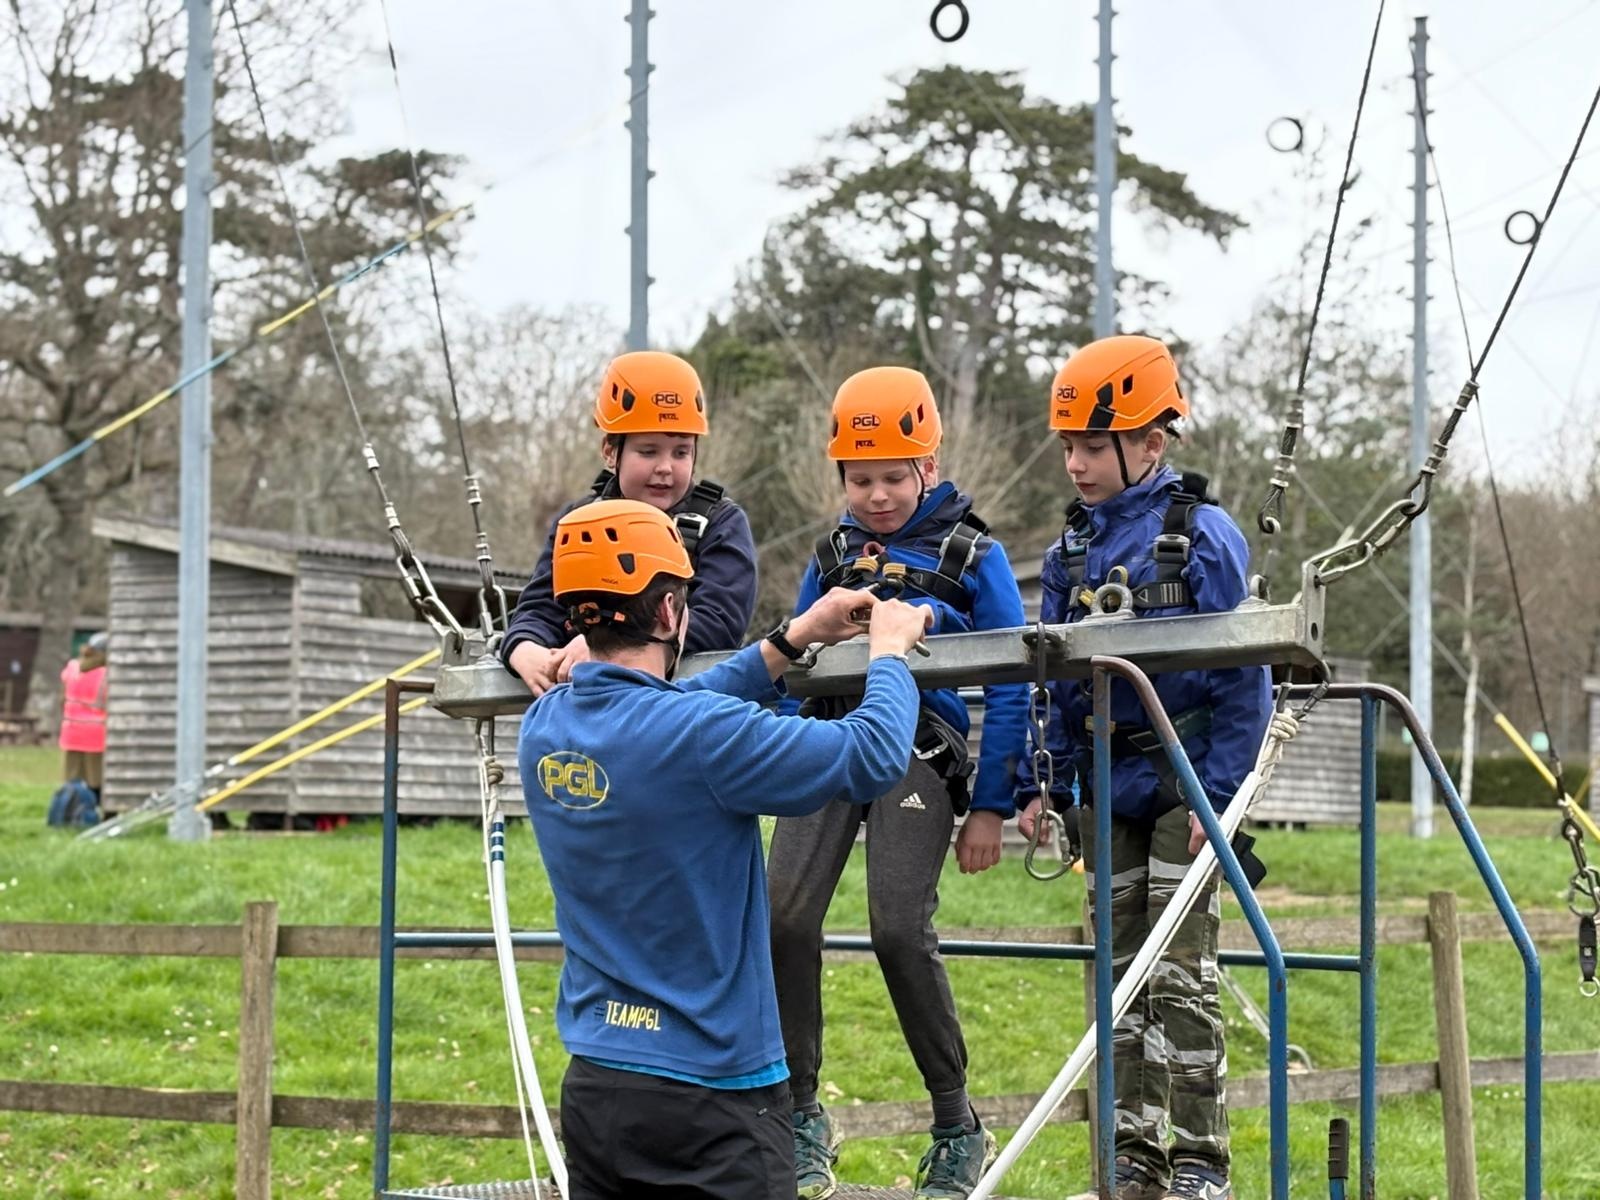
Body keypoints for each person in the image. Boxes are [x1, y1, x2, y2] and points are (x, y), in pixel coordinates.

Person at [517, 497, 934, 1200]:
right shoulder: (701, 735)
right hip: (713, 1096)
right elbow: (870, 755)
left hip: (597, 1084)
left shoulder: (545, 726)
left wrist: (793, 637)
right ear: (671, 610)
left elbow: (673, 705)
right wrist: (889, 653)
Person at [1016, 335, 1271, 1200]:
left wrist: (1220, 795)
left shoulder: (1201, 537)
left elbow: (1244, 672)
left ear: (1150, 443)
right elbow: (1054, 679)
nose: (1075, 464)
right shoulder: (1071, 551)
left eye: (1093, 446)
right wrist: (1045, 783)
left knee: (1179, 975)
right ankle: (1134, 1156)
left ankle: (1200, 1162)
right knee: (1118, 978)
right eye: (1069, 447)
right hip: (1104, 785)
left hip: (1185, 781)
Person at [767, 366, 1028, 1200]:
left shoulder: (974, 557)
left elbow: (1013, 680)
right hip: (829, 738)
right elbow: (794, 663)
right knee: (781, 916)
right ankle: (800, 1113)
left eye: (892, 477)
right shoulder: (831, 556)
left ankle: (956, 1123)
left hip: (919, 746)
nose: (876, 496)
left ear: (928, 467)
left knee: (897, 929)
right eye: (859, 480)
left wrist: (991, 806)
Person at [500, 350, 757, 695]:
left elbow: (719, 622)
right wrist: (523, 648)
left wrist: (603, 647)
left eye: (681, 452)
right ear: (610, 452)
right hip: (589, 706)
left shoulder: (718, 524)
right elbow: (539, 608)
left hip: (686, 704)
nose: (665, 467)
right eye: (648, 451)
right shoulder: (577, 523)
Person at [59, 631, 109, 798]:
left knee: (72, 779)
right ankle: (93, 809)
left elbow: (62, 698)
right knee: (96, 780)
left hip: (71, 732)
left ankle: (72, 809)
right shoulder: (106, 674)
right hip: (96, 734)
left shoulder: (72, 667)